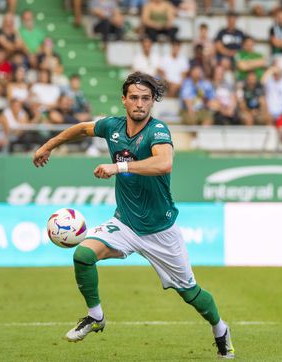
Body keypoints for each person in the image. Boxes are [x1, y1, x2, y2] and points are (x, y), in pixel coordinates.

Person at [32, 72, 235, 358]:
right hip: (124, 223)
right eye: (135, 98)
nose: (140, 103)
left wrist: (119, 168)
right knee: (83, 256)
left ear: (152, 102)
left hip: (160, 230)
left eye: (146, 99)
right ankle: (96, 316)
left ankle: (220, 329)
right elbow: (80, 128)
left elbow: (164, 163)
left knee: (190, 293)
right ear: (124, 100)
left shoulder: (157, 131)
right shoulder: (112, 127)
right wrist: (48, 146)